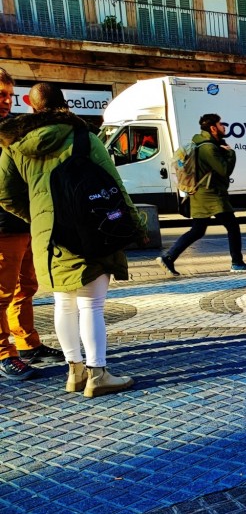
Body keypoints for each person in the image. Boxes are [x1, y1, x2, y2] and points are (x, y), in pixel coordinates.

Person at [0, 82, 147, 396]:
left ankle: (74, 373)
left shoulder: (14, 144)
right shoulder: (84, 137)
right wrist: (135, 225)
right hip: (91, 230)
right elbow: (114, 184)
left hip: (48, 238)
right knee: (91, 306)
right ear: (64, 104)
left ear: (32, 106)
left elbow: (4, 194)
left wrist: (38, 217)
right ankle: (98, 375)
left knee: (64, 304)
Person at [0, 71, 64, 381]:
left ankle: (27, 343)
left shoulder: (13, 128)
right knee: (1, 292)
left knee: (25, 287)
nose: (5, 101)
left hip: (23, 222)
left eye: (9, 95)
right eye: (0, 94)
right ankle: (3, 354)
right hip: (3, 225)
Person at [157, 113, 246, 276]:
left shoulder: (201, 144)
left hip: (200, 194)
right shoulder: (208, 148)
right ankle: (237, 262)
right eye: (220, 124)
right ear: (213, 128)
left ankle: (168, 257)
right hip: (211, 195)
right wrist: (230, 153)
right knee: (232, 226)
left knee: (198, 230)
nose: (224, 127)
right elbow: (224, 170)